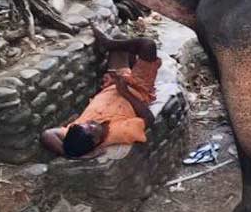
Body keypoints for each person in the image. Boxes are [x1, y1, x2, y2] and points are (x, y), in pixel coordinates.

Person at [40, 27, 161, 159]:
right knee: (147, 45)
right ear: (96, 141)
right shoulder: (119, 132)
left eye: (84, 123)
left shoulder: (79, 131)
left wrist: (72, 156)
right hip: (137, 88)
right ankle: (109, 44)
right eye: (91, 127)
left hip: (113, 81)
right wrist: (125, 92)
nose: (90, 121)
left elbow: (47, 134)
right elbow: (149, 119)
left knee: (121, 38)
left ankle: (118, 50)